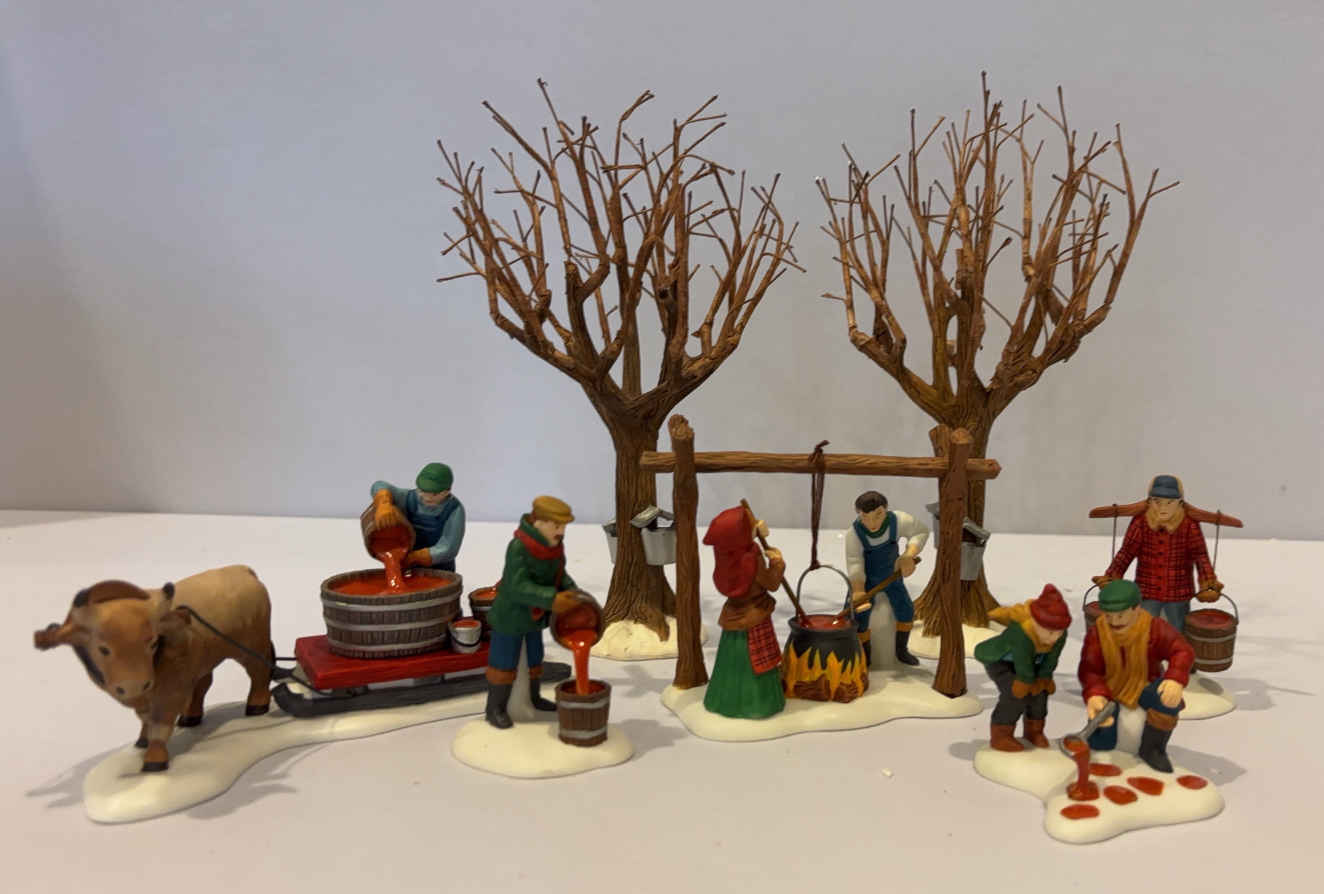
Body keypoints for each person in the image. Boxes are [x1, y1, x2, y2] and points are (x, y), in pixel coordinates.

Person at [1078, 579, 1195, 773]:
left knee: (1167, 702)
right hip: (1109, 688)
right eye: (1109, 616)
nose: (1114, 622)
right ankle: (1100, 743)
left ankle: (1153, 749)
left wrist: (1174, 678)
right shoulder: (1097, 634)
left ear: (1137, 608)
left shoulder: (1155, 628)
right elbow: (1090, 669)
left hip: (1146, 683)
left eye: (1120, 615)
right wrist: (1095, 694)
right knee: (1102, 738)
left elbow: (1182, 650)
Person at [484, 496, 581, 729]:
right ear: (539, 522)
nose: (561, 532)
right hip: (511, 616)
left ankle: (534, 697)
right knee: (503, 663)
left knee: (535, 659)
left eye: (563, 526)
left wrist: (572, 592)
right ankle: (495, 708)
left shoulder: (554, 546)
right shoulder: (519, 547)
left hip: (534, 617)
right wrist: (552, 598)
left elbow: (559, 575)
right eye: (556, 526)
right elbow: (517, 586)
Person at [1093, 474, 1221, 637]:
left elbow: (1201, 556)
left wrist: (1208, 583)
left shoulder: (1189, 525)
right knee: (1145, 633)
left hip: (1178, 594)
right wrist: (1112, 576)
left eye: (1169, 502)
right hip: (1147, 592)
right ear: (1149, 501)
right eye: (1157, 501)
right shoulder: (1141, 522)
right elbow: (1126, 552)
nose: (1163, 507)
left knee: (1177, 634)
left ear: (1179, 503)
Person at [701, 506, 786, 720]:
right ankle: (759, 703)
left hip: (734, 613)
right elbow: (772, 583)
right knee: (757, 660)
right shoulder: (750, 559)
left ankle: (725, 699)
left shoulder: (727, 554)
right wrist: (777, 562)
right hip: (754, 615)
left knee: (731, 662)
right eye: (749, 525)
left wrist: (756, 531)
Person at [974, 584, 1071, 752]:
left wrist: (1044, 677)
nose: (1053, 638)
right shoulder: (1022, 632)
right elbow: (1022, 660)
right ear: (1035, 623)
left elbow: (1051, 659)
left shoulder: (1059, 633)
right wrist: (1025, 681)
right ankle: (1001, 734)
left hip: (1033, 663)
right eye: (1049, 632)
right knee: (1015, 694)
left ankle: (1034, 731)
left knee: (1040, 693)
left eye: (1058, 633)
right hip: (1001, 661)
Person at [844, 491, 929, 666]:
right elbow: (855, 562)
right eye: (865, 517)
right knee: (859, 615)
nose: (872, 523)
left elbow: (920, 531)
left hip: (892, 577)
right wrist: (858, 590)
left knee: (906, 609)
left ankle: (901, 650)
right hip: (867, 581)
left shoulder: (897, 521)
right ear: (859, 514)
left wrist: (908, 555)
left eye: (878, 515)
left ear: (885, 510)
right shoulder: (854, 533)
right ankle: (864, 654)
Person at [370, 462, 466, 572]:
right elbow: (379, 485)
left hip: (439, 565)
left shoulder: (454, 510)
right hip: (406, 560)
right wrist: (383, 502)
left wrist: (417, 557)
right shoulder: (409, 497)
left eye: (434, 494)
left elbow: (449, 547)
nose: (427, 498)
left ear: (447, 491)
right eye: (422, 491)